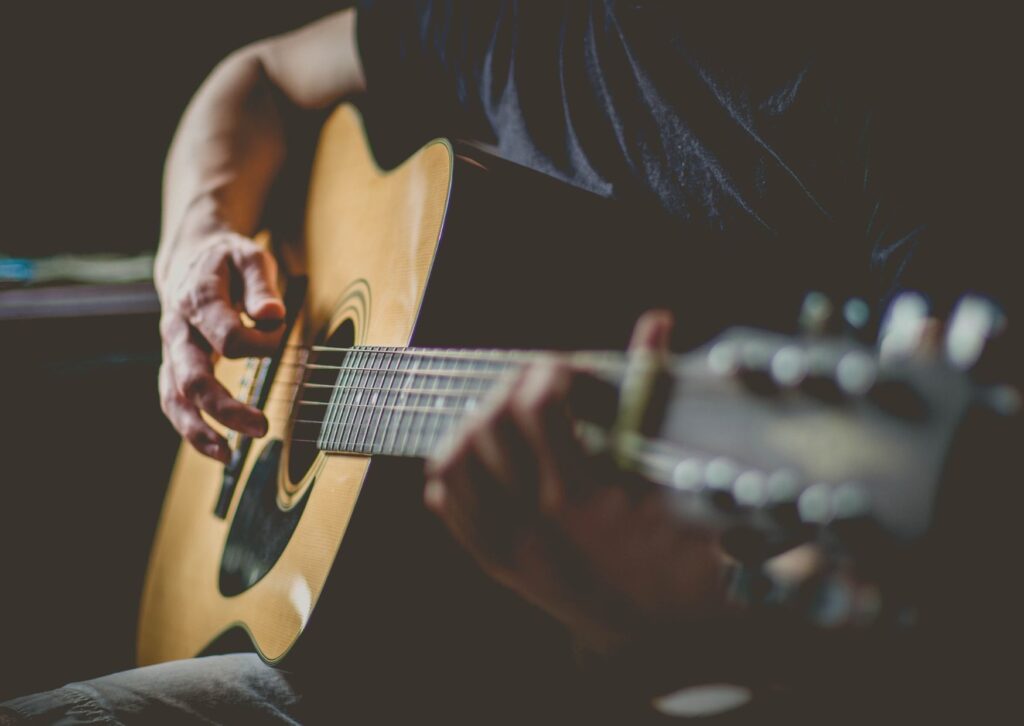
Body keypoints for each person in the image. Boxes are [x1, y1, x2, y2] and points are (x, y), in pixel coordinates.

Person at [2, 2, 1017, 723]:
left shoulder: (905, 93)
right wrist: (196, 243)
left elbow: (935, 635)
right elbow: (255, 76)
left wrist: (673, 630)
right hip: (370, 639)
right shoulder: (499, 25)